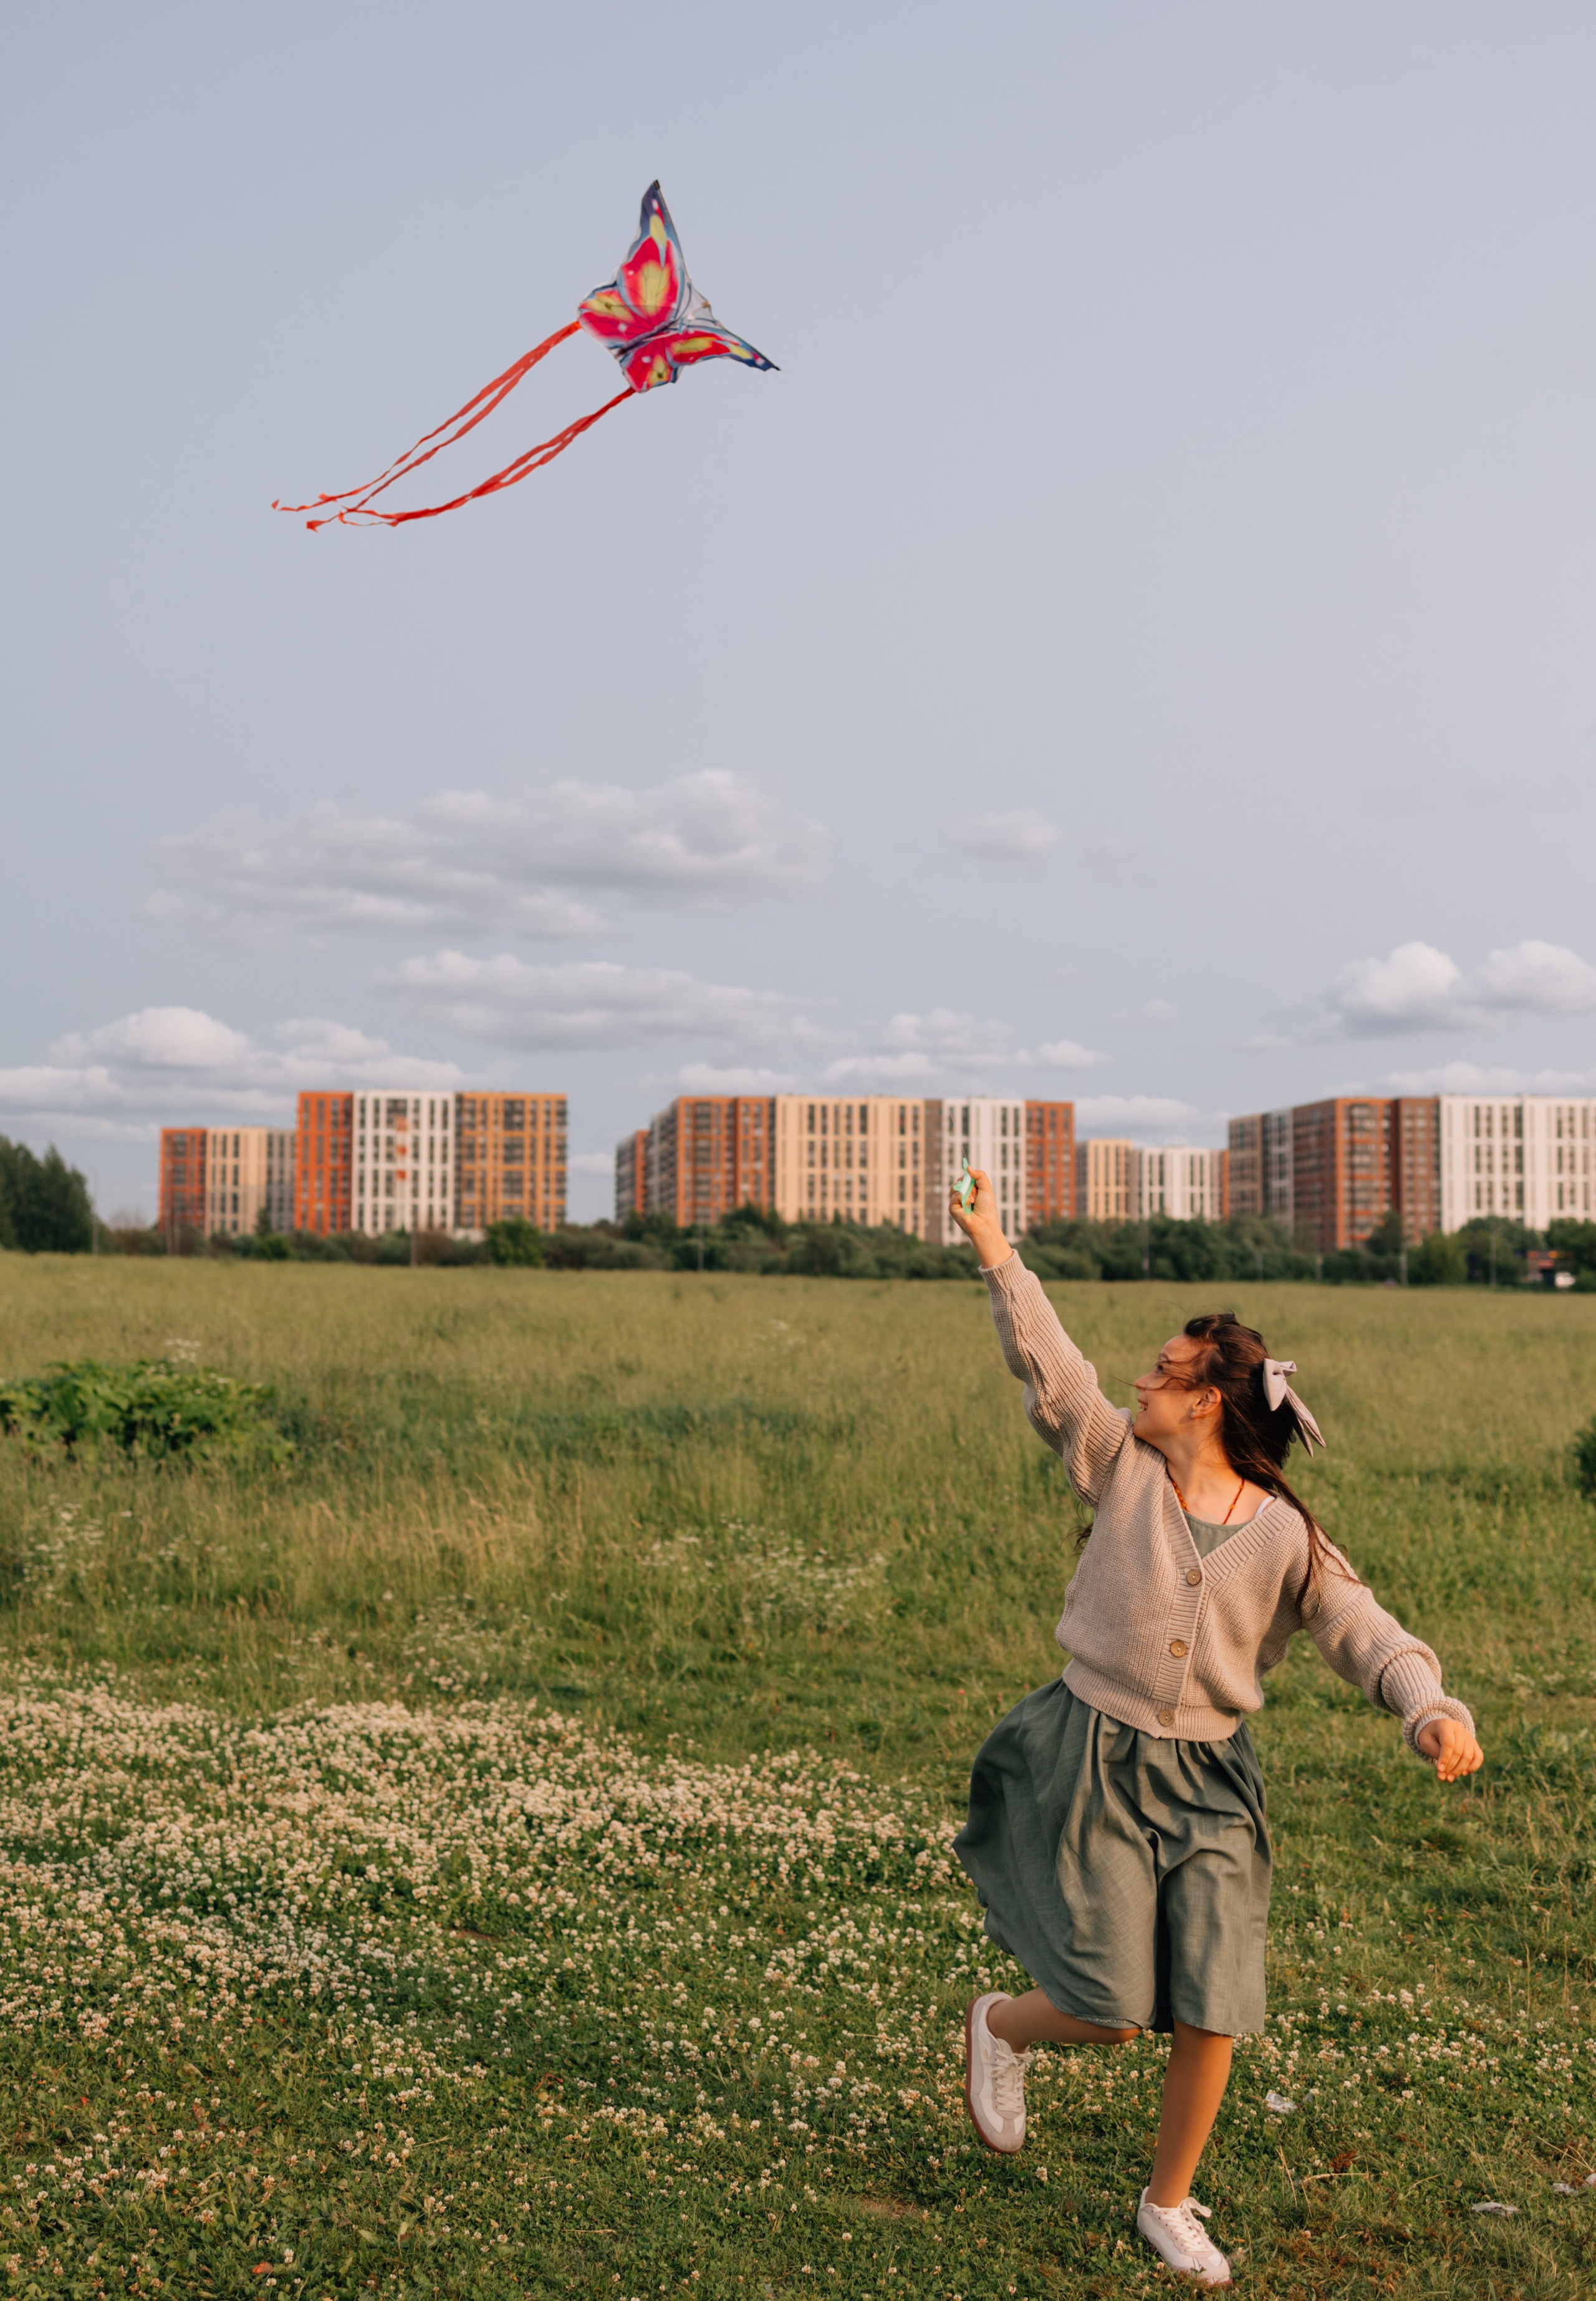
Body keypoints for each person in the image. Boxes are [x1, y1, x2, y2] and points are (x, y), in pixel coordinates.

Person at [947, 1167, 1481, 2289]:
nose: (1140, 1379)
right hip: (1097, 1756)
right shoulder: (1119, 1463)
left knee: (1216, 2002)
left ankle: (1169, 2199)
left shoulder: (1284, 1531)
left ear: (1206, 1401)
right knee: (1107, 2004)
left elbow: (1358, 1623)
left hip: (1212, 1782)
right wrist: (997, 1249)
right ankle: (1001, 2023)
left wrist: (1427, 1704)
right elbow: (1055, 1370)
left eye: (1165, 1371)